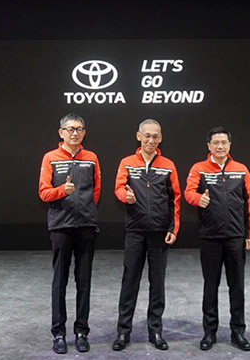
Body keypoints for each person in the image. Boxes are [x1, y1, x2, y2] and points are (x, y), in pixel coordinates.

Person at [184, 127, 250, 352]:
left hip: (235, 237)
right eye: (215, 142)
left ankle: (238, 332)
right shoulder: (199, 168)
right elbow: (188, 192)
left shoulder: (241, 170)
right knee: (210, 286)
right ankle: (209, 332)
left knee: (237, 286)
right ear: (209, 146)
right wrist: (198, 199)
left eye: (223, 142)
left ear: (229, 145)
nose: (220, 146)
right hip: (210, 237)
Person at [112, 119, 181, 352]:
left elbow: (175, 199)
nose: (151, 140)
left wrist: (173, 228)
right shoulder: (127, 163)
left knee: (157, 284)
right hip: (135, 231)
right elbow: (118, 188)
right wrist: (126, 196)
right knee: (129, 282)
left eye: (155, 136)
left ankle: (156, 331)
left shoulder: (168, 165)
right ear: (138, 136)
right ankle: (123, 332)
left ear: (160, 138)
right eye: (147, 135)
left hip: (160, 233)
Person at [38, 113, 102, 354]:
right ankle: (59, 334)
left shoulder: (91, 158)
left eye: (79, 129)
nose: (75, 133)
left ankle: (81, 332)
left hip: (86, 226)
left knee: (84, 282)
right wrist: (61, 191)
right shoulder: (50, 158)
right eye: (70, 129)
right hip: (60, 226)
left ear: (84, 132)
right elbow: (43, 193)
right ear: (61, 132)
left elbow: (96, 191)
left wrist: (86, 211)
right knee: (60, 281)